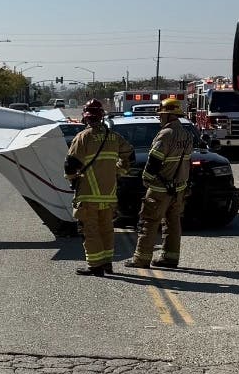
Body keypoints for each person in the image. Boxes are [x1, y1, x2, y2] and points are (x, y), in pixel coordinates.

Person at [63, 99, 133, 276]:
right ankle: (107, 263)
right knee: (107, 230)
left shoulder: (83, 137)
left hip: (88, 195)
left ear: (86, 118)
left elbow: (71, 165)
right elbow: (129, 156)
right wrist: (119, 171)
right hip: (109, 196)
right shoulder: (114, 137)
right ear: (101, 117)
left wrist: (72, 179)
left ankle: (95, 266)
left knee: (91, 231)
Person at [126, 97, 192, 269]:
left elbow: (154, 160)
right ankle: (170, 257)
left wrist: (146, 178)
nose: (159, 118)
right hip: (179, 189)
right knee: (173, 222)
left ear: (169, 115)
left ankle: (141, 259)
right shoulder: (186, 134)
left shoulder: (166, 134)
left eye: (161, 115)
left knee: (148, 221)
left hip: (160, 188)